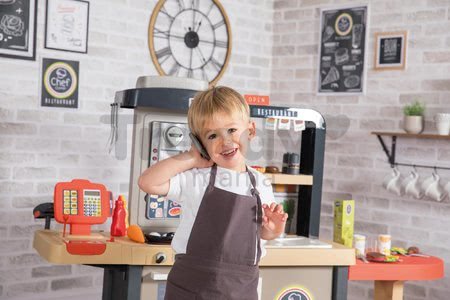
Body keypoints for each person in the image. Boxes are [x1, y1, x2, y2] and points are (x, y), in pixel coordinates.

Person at [138, 86, 287, 300]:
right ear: (200, 143)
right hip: (191, 288)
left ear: (251, 131)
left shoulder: (261, 184)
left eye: (232, 130)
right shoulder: (196, 177)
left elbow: (262, 234)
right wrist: (190, 158)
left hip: (240, 290)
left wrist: (273, 230)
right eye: (212, 135)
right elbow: (147, 182)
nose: (225, 141)